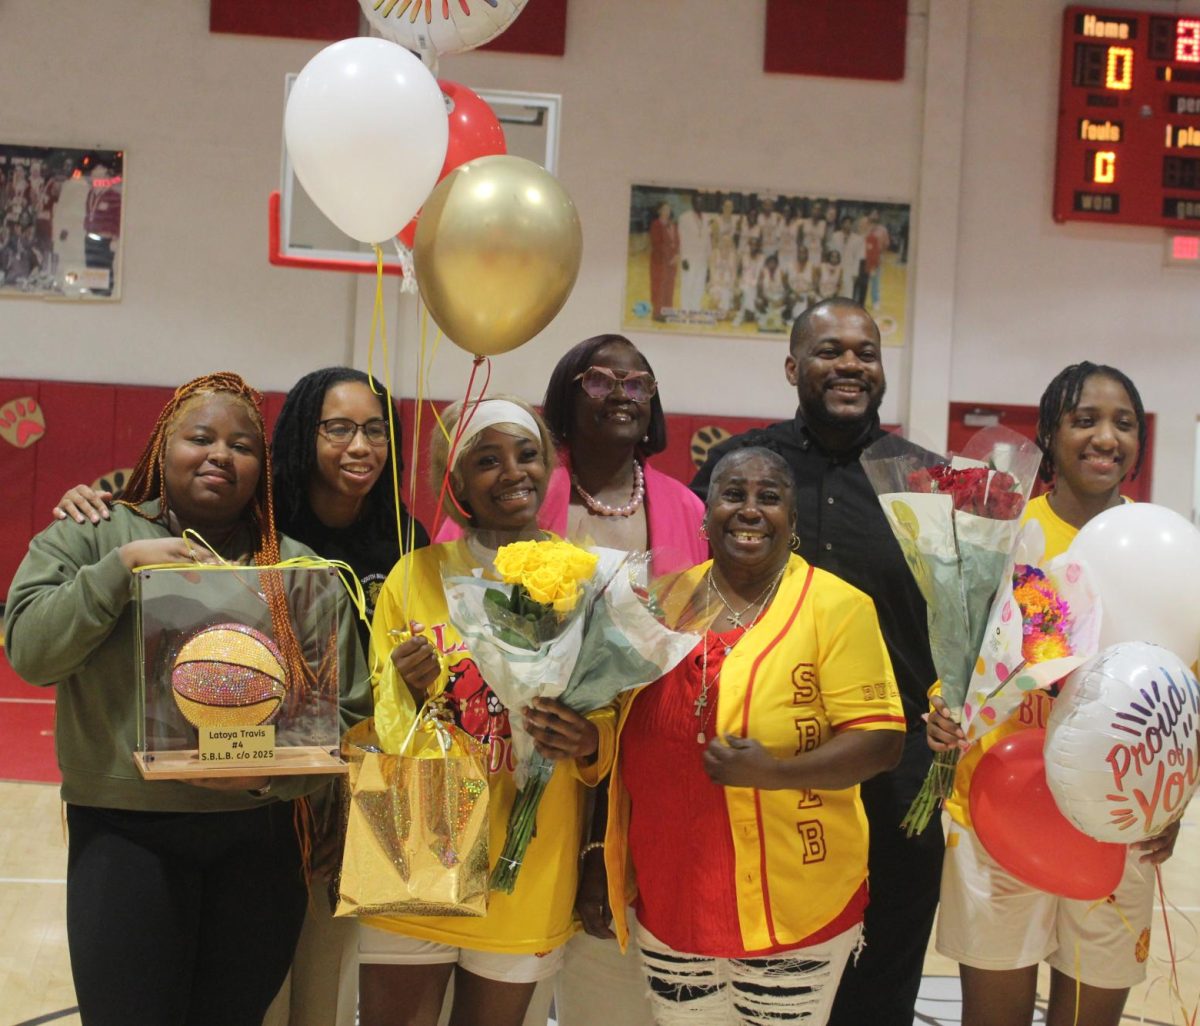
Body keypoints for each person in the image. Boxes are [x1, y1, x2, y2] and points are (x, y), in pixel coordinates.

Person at [52, 365, 430, 1026]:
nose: (360, 446)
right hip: (163, 813)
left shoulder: (398, 539)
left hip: (315, 797)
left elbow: (354, 700)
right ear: (297, 442)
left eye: (375, 430)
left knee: (321, 986)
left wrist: (273, 776)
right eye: (338, 428)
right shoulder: (234, 514)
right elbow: (37, 641)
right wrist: (108, 519)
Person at [691, 298, 943, 1026]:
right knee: (769, 949)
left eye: (866, 352)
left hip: (895, 752)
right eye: (831, 350)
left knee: (891, 941)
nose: (851, 365)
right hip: (769, 749)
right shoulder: (745, 467)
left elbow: (956, 613)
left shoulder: (920, 480)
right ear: (794, 366)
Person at [603, 446, 906, 1024]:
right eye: (732, 494)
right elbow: (619, 740)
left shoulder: (837, 607)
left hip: (793, 902)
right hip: (673, 896)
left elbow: (881, 741)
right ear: (705, 512)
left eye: (769, 498)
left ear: (792, 521)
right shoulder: (659, 604)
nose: (749, 509)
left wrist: (776, 774)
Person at [926, 362, 1181, 1026]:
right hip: (998, 806)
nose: (1106, 437)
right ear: (1049, 435)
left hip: (1117, 818)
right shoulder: (998, 533)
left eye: (1123, 423)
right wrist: (942, 710)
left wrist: (1171, 796)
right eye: (1084, 419)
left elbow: (1185, 691)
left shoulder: (1161, 546)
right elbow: (958, 652)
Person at [359, 396, 614, 1026]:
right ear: (457, 481)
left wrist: (584, 738)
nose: (513, 473)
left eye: (527, 455)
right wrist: (413, 690)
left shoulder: (587, 580)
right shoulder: (414, 575)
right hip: (418, 826)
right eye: (487, 460)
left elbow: (610, 723)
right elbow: (379, 716)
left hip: (528, 853)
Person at [677, 192, 710, 315]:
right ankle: (685, 309)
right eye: (697, 201)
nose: (699, 204)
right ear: (692, 202)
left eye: (701, 201)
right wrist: (683, 258)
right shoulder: (684, 217)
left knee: (699, 284)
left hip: (702, 258)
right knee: (687, 283)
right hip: (689, 257)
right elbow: (681, 238)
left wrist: (709, 256)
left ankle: (695, 308)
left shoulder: (707, 218)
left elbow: (708, 239)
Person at [648, 202, 680, 322]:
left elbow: (676, 241)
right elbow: (657, 244)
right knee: (658, 287)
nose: (667, 211)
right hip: (660, 262)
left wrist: (676, 255)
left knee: (669, 287)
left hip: (672, 263)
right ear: (659, 211)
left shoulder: (673, 224)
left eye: (668, 209)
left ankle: (668, 311)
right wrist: (670, 256)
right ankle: (657, 313)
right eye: (664, 209)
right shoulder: (656, 225)